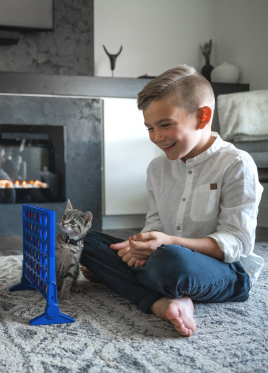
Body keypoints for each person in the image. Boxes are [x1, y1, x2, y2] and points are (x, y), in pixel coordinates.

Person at [80, 65, 264, 337]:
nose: (156, 137)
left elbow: (237, 243)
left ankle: (137, 287)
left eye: (165, 125)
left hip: (221, 272)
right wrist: (138, 248)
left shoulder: (236, 164)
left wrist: (169, 243)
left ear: (202, 117)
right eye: (150, 128)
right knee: (85, 241)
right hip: (163, 258)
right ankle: (164, 301)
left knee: (171, 262)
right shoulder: (157, 168)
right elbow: (155, 223)